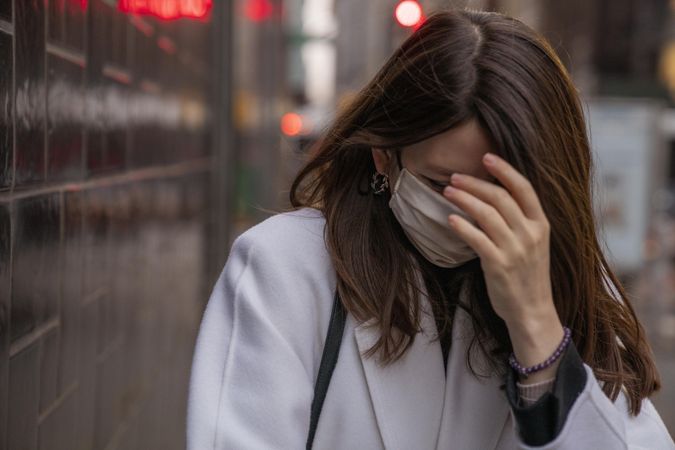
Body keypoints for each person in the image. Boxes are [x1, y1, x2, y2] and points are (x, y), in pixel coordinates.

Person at [186, 8, 675, 450]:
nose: (473, 215)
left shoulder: (578, 293)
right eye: (445, 185)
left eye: (502, 192)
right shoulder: (288, 269)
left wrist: (539, 332)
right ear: (384, 155)